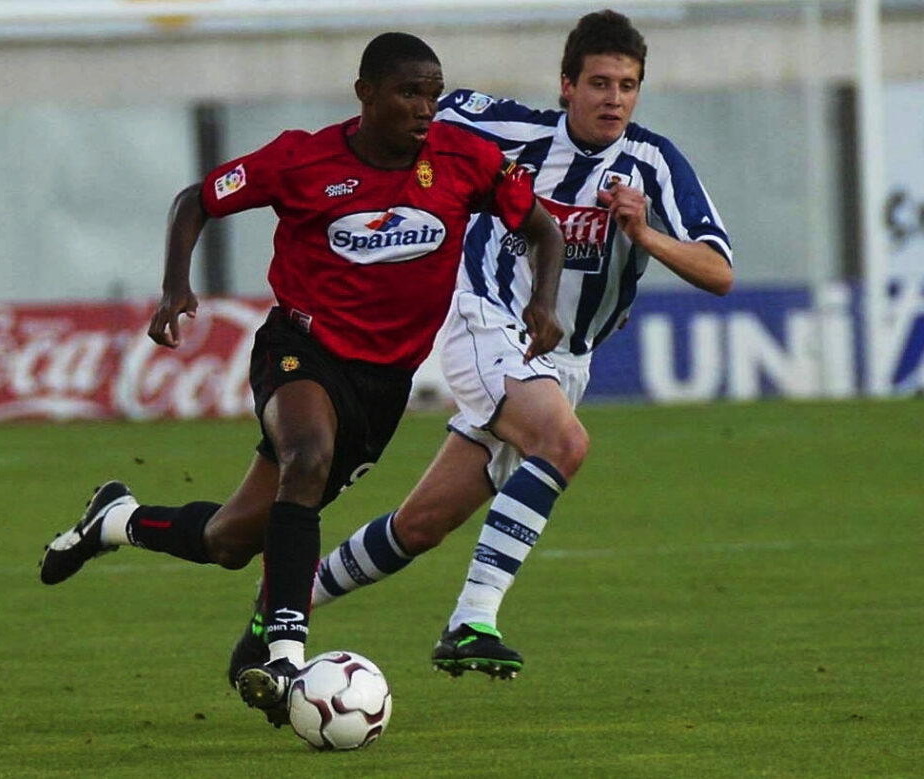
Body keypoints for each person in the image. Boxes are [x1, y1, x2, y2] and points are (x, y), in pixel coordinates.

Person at [39, 32, 565, 726]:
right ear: (365, 93)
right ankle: (286, 654)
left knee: (231, 540)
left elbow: (544, 229)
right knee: (307, 457)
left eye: (433, 95)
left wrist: (543, 302)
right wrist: (175, 288)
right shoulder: (302, 160)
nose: (424, 108)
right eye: (409, 92)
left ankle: (115, 520)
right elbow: (195, 200)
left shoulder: (465, 159)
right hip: (300, 347)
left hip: (383, 386)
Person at [231, 8, 735, 680]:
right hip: (485, 320)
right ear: (567, 85)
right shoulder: (504, 127)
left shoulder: (654, 162)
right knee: (565, 443)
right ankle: (472, 620)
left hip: (565, 361)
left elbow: (719, 271)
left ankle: (282, 605)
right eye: (599, 83)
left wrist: (646, 235)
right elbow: (398, 117)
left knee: (419, 525)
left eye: (627, 85)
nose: (613, 99)